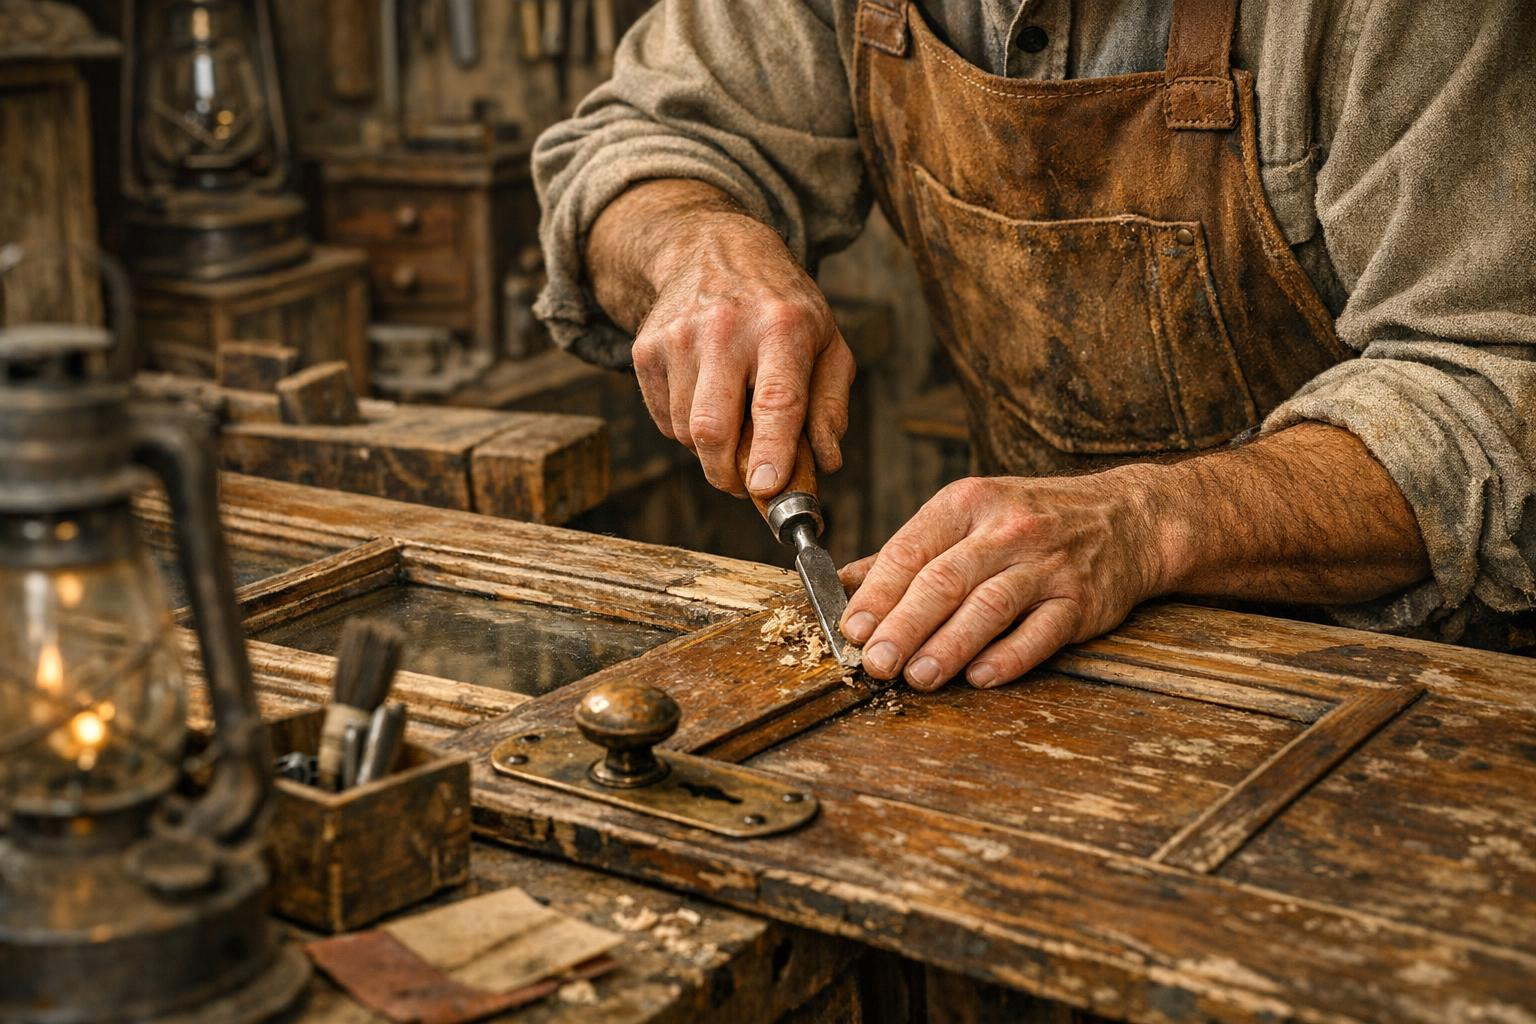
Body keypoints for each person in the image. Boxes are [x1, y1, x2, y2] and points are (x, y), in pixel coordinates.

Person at [533, 0, 1536, 691]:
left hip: (1407, 684)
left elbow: (1495, 387)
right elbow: (635, 144)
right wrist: (693, 242)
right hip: (1024, 656)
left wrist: (1144, 523)